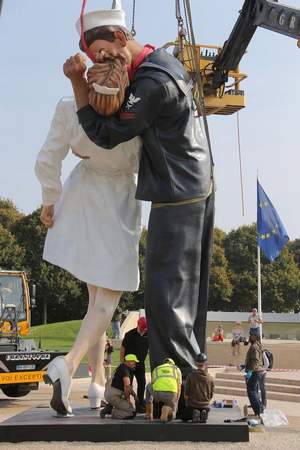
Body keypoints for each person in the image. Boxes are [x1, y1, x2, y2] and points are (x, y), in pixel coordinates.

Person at [65, 0, 214, 377]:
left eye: (101, 53)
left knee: (166, 294)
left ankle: (173, 385)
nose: (101, 63)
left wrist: (78, 88)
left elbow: (107, 134)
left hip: (179, 192)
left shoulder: (151, 83)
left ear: (119, 36)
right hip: (192, 185)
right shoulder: (160, 63)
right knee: (184, 292)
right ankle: (187, 378)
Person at [35, 91, 141, 414]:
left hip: (82, 196)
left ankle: (96, 385)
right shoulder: (138, 111)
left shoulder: (69, 106)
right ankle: (67, 365)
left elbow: (47, 158)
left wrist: (49, 198)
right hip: (119, 201)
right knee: (107, 301)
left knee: (95, 302)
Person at [120, 317, 148, 412]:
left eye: (145, 329)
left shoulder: (149, 334)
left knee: (142, 383)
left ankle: (139, 402)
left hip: (140, 364)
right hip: (129, 365)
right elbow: (122, 348)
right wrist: (122, 362)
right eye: (142, 328)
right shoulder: (130, 334)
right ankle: (127, 404)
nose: (143, 330)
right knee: (129, 384)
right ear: (138, 325)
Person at [101, 353, 139, 419]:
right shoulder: (125, 370)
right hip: (114, 395)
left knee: (128, 406)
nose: (135, 364)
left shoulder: (121, 367)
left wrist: (133, 395)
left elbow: (127, 387)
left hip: (110, 393)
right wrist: (129, 400)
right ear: (129, 362)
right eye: (134, 362)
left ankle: (110, 406)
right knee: (131, 412)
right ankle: (111, 411)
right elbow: (127, 386)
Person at [146, 358, 182, 422]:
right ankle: (168, 409)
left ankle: (149, 413)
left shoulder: (157, 369)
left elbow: (152, 384)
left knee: (148, 386)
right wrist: (176, 401)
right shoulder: (176, 369)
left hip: (157, 394)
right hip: (171, 395)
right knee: (173, 415)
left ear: (164, 363)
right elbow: (179, 387)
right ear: (172, 364)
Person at [182, 353, 214, 423]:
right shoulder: (211, 378)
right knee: (203, 409)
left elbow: (186, 395)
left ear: (196, 363)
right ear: (206, 364)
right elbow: (211, 395)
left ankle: (195, 413)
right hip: (206, 406)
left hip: (193, 406)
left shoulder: (190, 376)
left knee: (184, 416)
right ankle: (203, 412)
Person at [244, 333, 265, 417]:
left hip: (255, 372)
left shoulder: (254, 347)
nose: (249, 337)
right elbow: (252, 360)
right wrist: (244, 365)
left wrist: (250, 371)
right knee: (253, 391)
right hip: (256, 371)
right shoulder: (255, 345)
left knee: (251, 391)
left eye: (251, 336)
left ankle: (258, 411)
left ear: (255, 337)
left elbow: (256, 361)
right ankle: (259, 409)